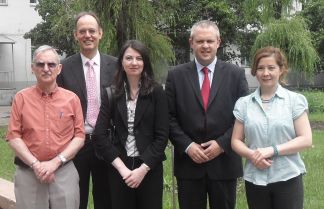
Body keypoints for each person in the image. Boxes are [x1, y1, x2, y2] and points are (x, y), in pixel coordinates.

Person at [165, 20, 249, 209]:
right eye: (200, 41)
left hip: (224, 163)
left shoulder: (235, 74)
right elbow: (168, 117)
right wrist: (187, 146)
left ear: (218, 42)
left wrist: (222, 144)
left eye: (210, 41)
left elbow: (243, 116)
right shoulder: (175, 75)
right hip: (189, 164)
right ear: (191, 42)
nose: (205, 46)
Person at [231, 46, 312, 209]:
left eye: (271, 67)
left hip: (288, 177)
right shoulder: (244, 104)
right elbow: (236, 140)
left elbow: (306, 139)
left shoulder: (295, 101)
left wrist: (272, 150)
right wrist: (253, 155)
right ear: (255, 71)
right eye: (260, 68)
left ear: (281, 70)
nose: (265, 73)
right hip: (255, 178)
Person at [6, 45, 85, 209]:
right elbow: (13, 136)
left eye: (51, 64)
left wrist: (56, 162)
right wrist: (36, 165)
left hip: (64, 172)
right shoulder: (21, 98)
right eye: (40, 64)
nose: (46, 68)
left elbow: (79, 137)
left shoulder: (72, 99)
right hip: (29, 173)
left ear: (59, 68)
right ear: (32, 68)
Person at [94, 40, 169, 209]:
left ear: (145, 62)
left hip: (149, 168)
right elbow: (99, 134)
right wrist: (122, 169)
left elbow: (162, 136)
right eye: (129, 58)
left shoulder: (156, 92)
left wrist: (143, 169)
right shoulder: (111, 92)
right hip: (120, 167)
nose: (134, 63)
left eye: (139, 58)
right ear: (121, 62)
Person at [57, 11, 117, 209]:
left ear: (101, 33)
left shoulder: (117, 66)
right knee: (75, 199)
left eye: (92, 30)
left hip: (106, 143)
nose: (87, 35)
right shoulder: (63, 68)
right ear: (76, 35)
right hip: (76, 144)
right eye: (82, 31)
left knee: (105, 199)